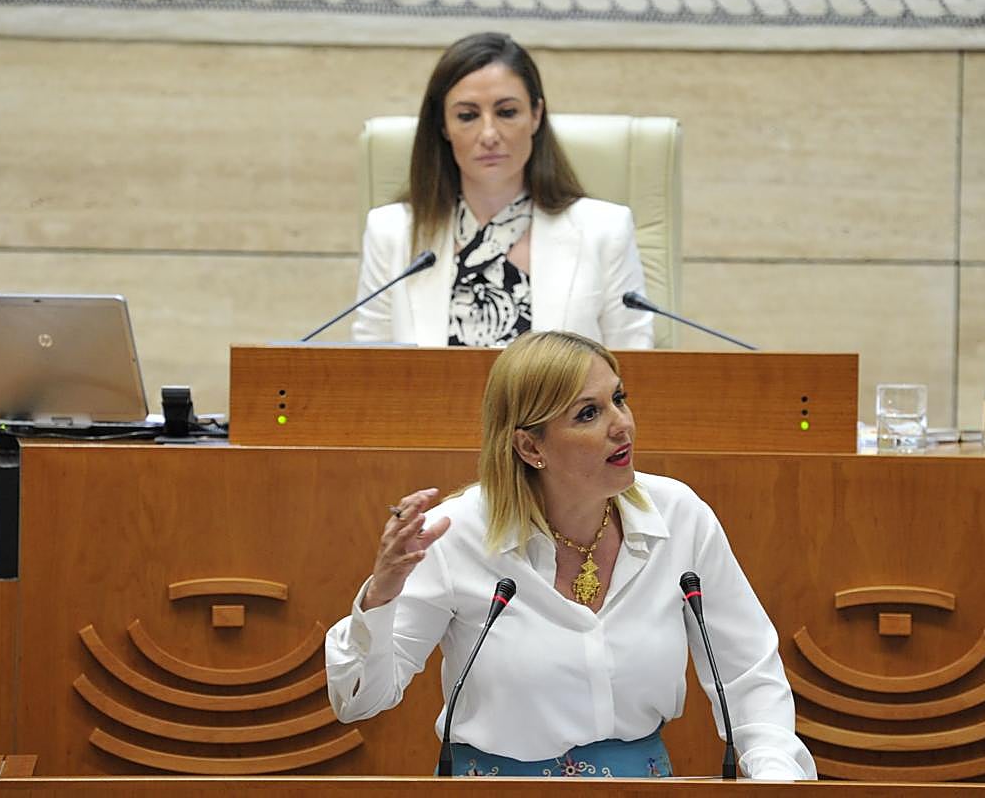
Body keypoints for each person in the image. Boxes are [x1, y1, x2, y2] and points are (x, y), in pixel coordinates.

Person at [325, 331, 816, 779]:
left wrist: (775, 780)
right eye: (588, 413)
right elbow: (360, 699)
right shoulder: (456, 534)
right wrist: (383, 593)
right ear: (529, 446)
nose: (621, 425)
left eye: (618, 399)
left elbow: (748, 673)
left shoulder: (680, 517)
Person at [351, 33, 653, 349]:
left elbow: (632, 364)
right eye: (467, 116)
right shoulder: (391, 233)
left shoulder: (604, 231)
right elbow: (368, 368)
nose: (489, 134)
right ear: (443, 126)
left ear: (536, 115)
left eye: (507, 112)